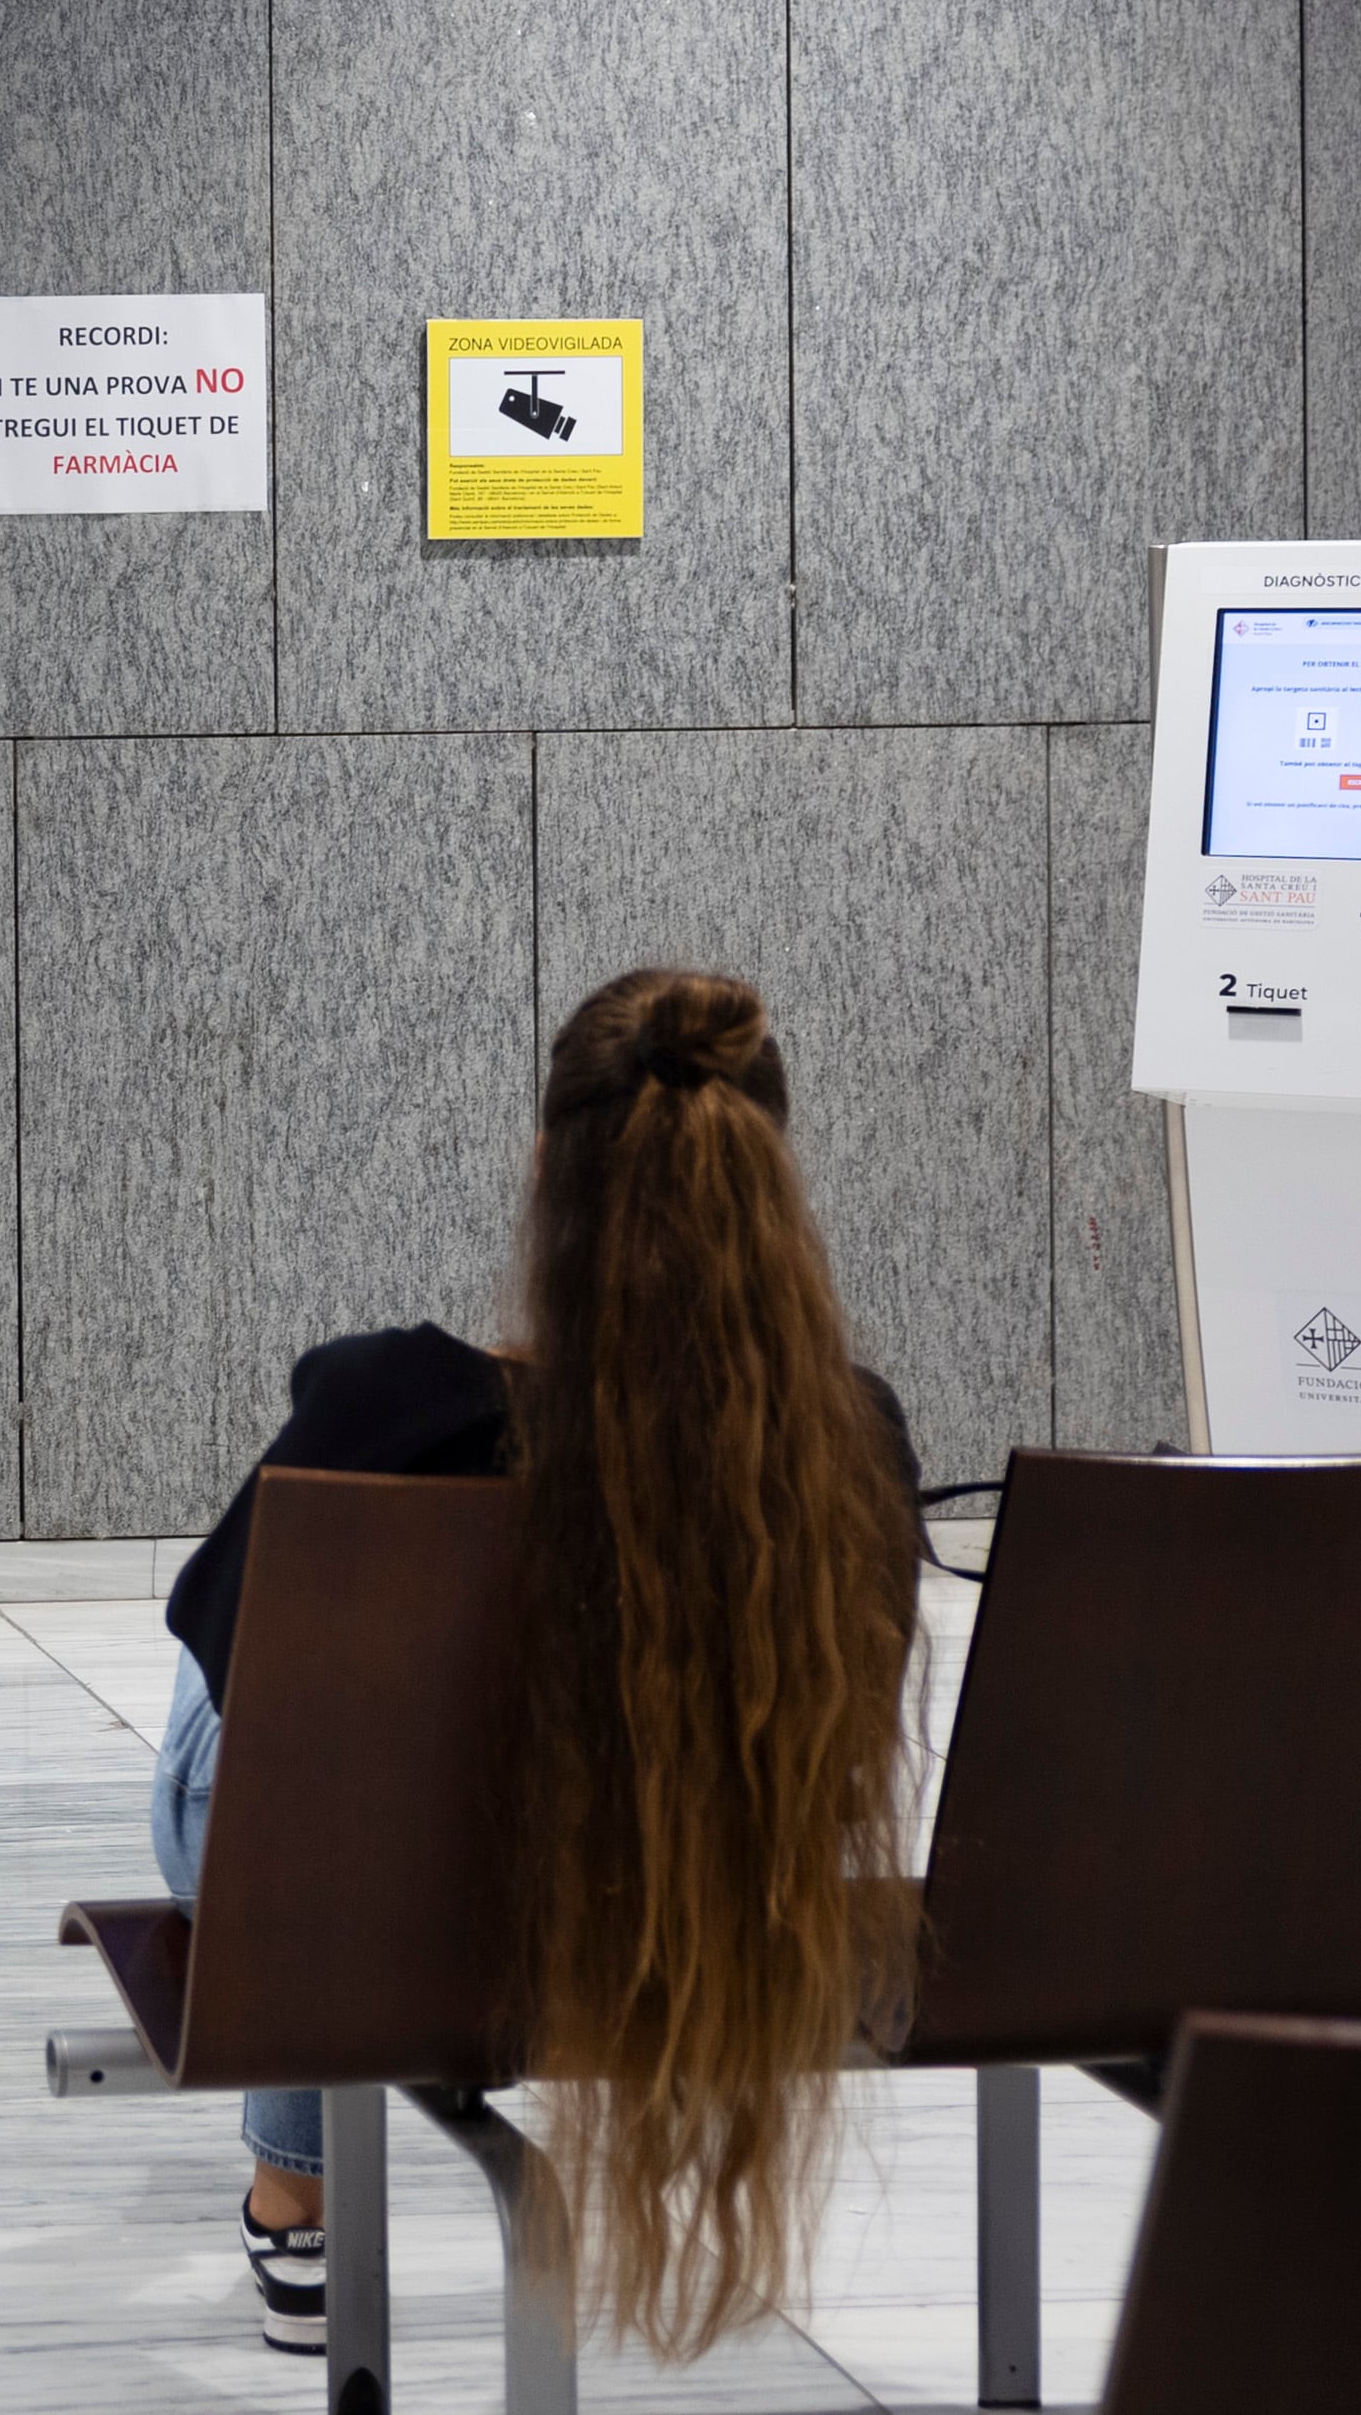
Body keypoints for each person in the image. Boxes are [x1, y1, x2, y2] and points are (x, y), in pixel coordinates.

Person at [152, 969, 921, 2360]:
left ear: (542, 1176)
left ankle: (295, 2184)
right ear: (775, 1194)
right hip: (680, 1912)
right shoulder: (852, 1446)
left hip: (374, 1933)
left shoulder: (389, 1408)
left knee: (233, 1721)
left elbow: (212, 1649)